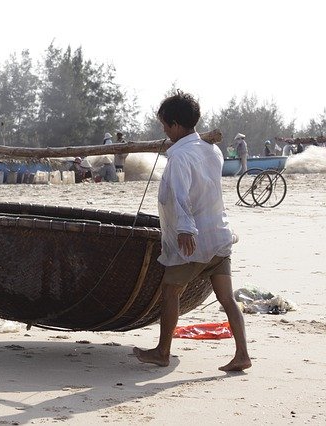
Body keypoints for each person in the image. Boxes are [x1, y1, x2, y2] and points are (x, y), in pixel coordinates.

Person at [133, 91, 251, 372]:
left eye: (164, 126)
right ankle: (242, 354)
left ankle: (162, 351)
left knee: (170, 290)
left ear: (175, 125)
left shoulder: (181, 157)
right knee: (227, 298)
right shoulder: (212, 150)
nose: (164, 132)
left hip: (194, 240)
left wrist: (185, 229)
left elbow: (180, 196)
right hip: (219, 235)